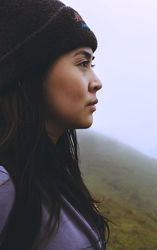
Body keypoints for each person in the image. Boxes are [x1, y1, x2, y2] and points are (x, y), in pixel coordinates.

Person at [0, 0, 111, 249]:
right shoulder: (5, 184)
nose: (97, 82)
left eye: (92, 64)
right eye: (82, 63)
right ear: (30, 71)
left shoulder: (49, 173)